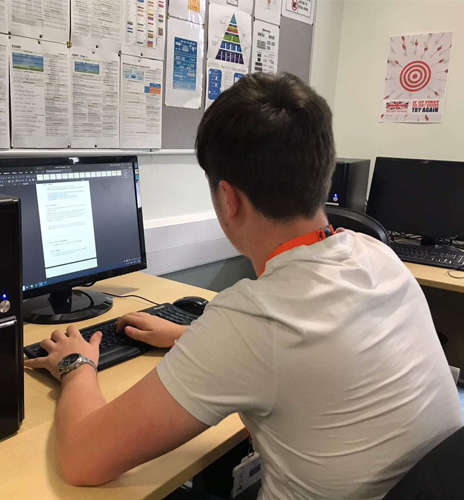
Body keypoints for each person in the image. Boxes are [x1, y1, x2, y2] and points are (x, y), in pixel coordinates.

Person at [24, 72, 463, 498]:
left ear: (229, 199)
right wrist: (189, 336)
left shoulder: (258, 318)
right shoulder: (378, 256)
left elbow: (83, 460)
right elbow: (305, 354)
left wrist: (76, 366)